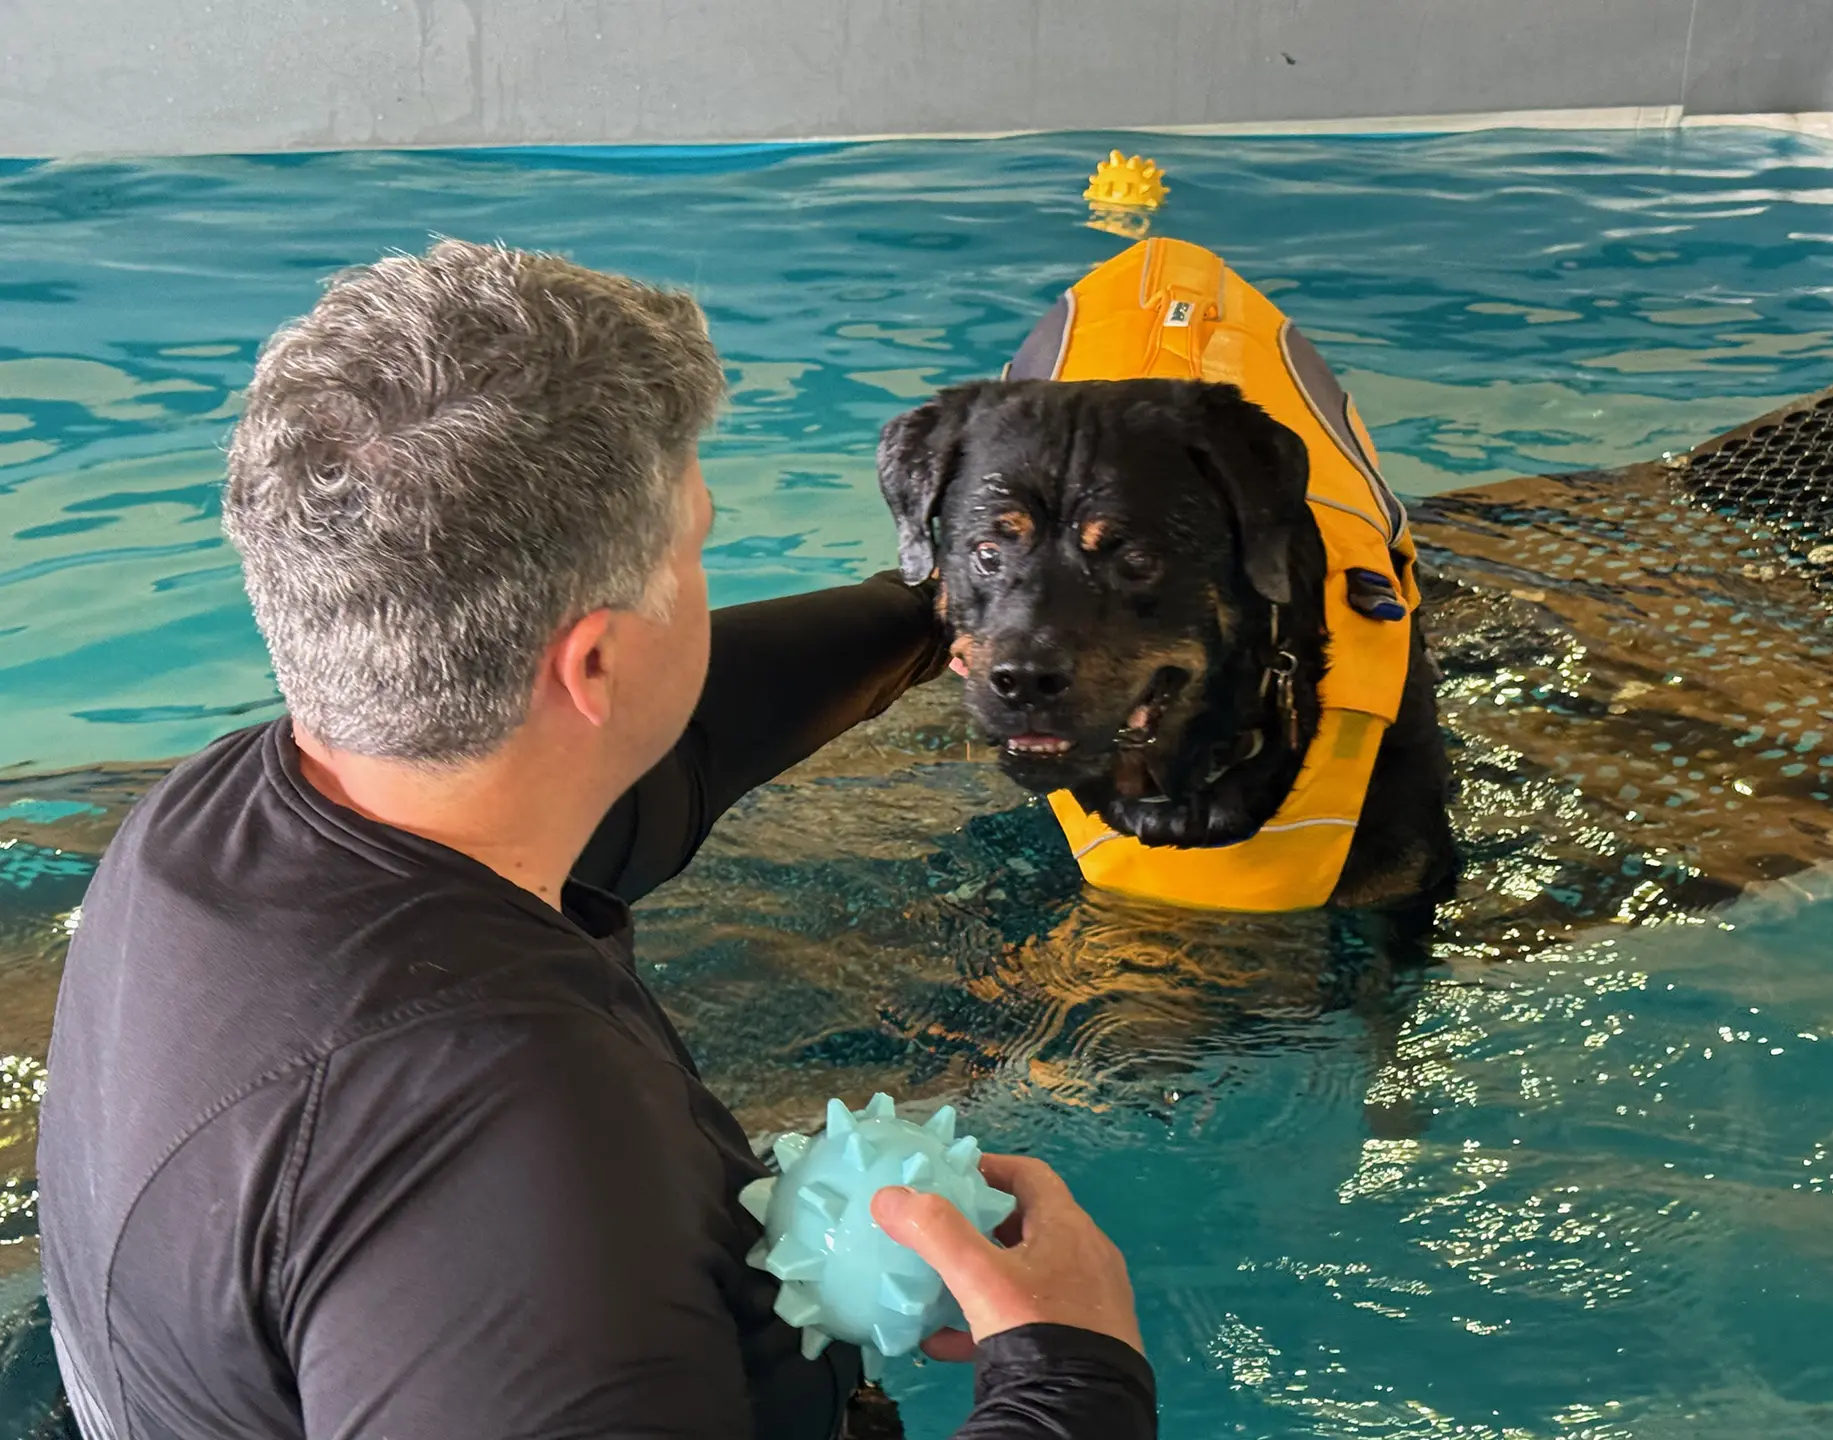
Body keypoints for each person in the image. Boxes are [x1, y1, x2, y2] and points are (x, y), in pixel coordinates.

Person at [36, 241, 1155, 1440]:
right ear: (597, 662)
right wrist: (1070, 1374)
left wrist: (957, 613)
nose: (707, 585)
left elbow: (682, 741)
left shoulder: (217, 821)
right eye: (697, 549)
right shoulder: (514, 1182)